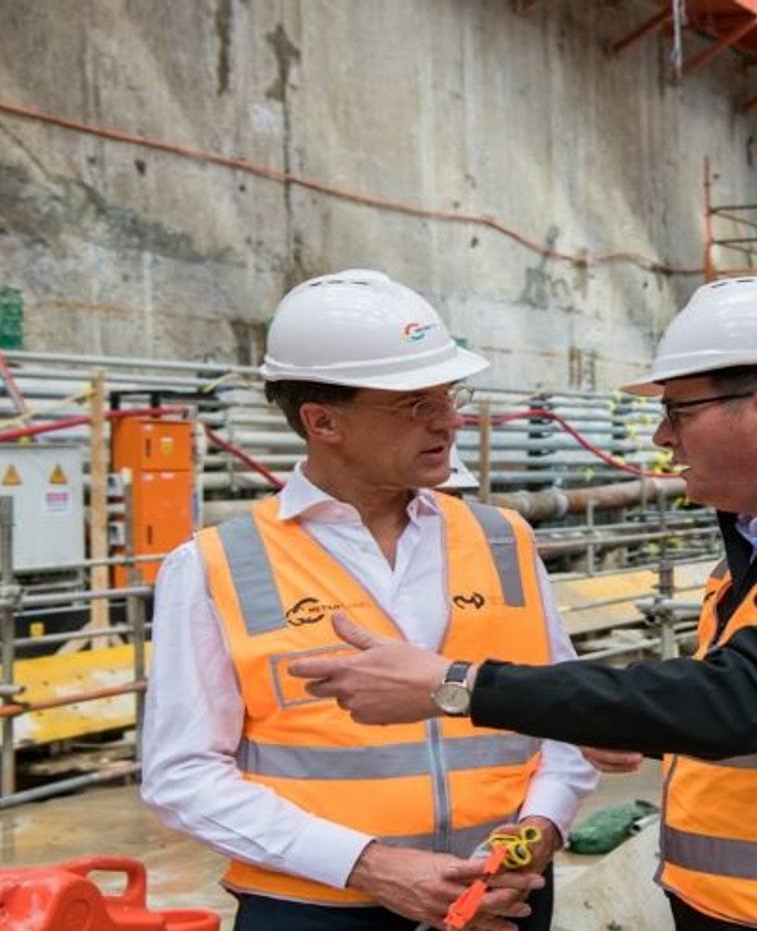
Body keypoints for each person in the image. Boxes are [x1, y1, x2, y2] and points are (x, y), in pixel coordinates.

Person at [291, 276, 757, 930]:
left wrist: (456, 686)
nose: (663, 437)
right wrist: (640, 721)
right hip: (737, 910)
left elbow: (742, 698)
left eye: (676, 412)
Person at [140, 270, 596, 931]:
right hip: (316, 910)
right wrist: (368, 865)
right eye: (414, 403)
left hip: (501, 899)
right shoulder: (216, 566)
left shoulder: (503, 539)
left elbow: (565, 713)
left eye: (449, 394)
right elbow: (181, 776)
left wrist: (544, 823)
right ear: (322, 421)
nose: (449, 419)